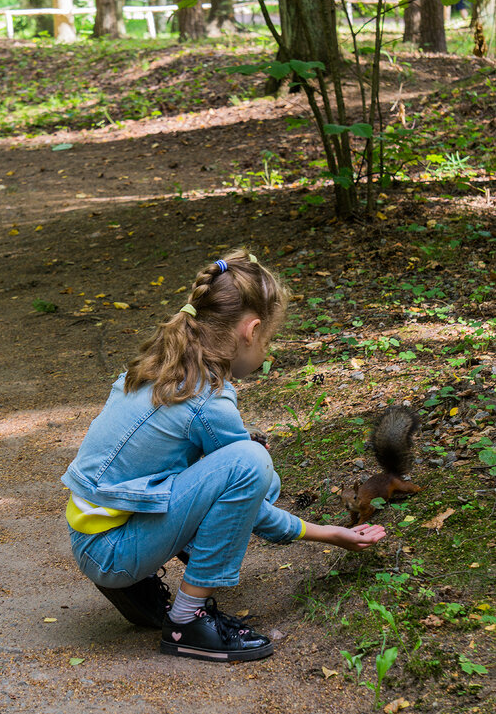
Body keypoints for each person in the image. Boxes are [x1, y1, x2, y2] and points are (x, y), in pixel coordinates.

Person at [61, 249, 386, 663]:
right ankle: (188, 621)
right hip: (111, 551)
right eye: (268, 340)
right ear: (250, 331)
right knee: (253, 466)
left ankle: (135, 581)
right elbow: (252, 505)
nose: (266, 352)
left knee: (253, 469)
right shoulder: (207, 400)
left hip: (93, 534)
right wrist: (326, 533)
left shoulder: (158, 366)